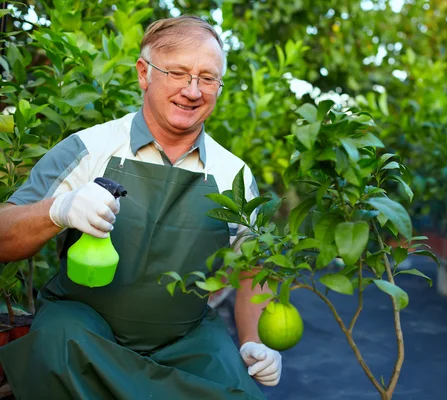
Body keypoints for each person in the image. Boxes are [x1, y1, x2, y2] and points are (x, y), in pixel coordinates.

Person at [0, 15, 281, 400]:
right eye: (178, 73)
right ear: (144, 73)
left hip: (186, 343)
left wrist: (253, 340)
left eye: (207, 78)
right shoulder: (88, 148)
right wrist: (58, 210)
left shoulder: (234, 173)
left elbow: (254, 264)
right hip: (84, 333)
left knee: (237, 389)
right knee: (54, 345)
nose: (193, 90)